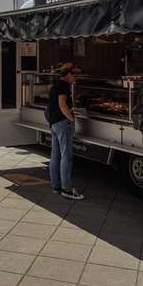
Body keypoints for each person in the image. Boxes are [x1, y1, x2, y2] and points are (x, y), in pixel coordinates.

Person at [47, 62, 85, 200]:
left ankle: (56, 186)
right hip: (63, 123)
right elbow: (62, 104)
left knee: (55, 155)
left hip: (54, 123)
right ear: (69, 74)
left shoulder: (55, 85)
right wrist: (71, 119)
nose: (76, 78)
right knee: (66, 156)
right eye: (75, 75)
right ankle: (67, 189)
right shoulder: (64, 86)